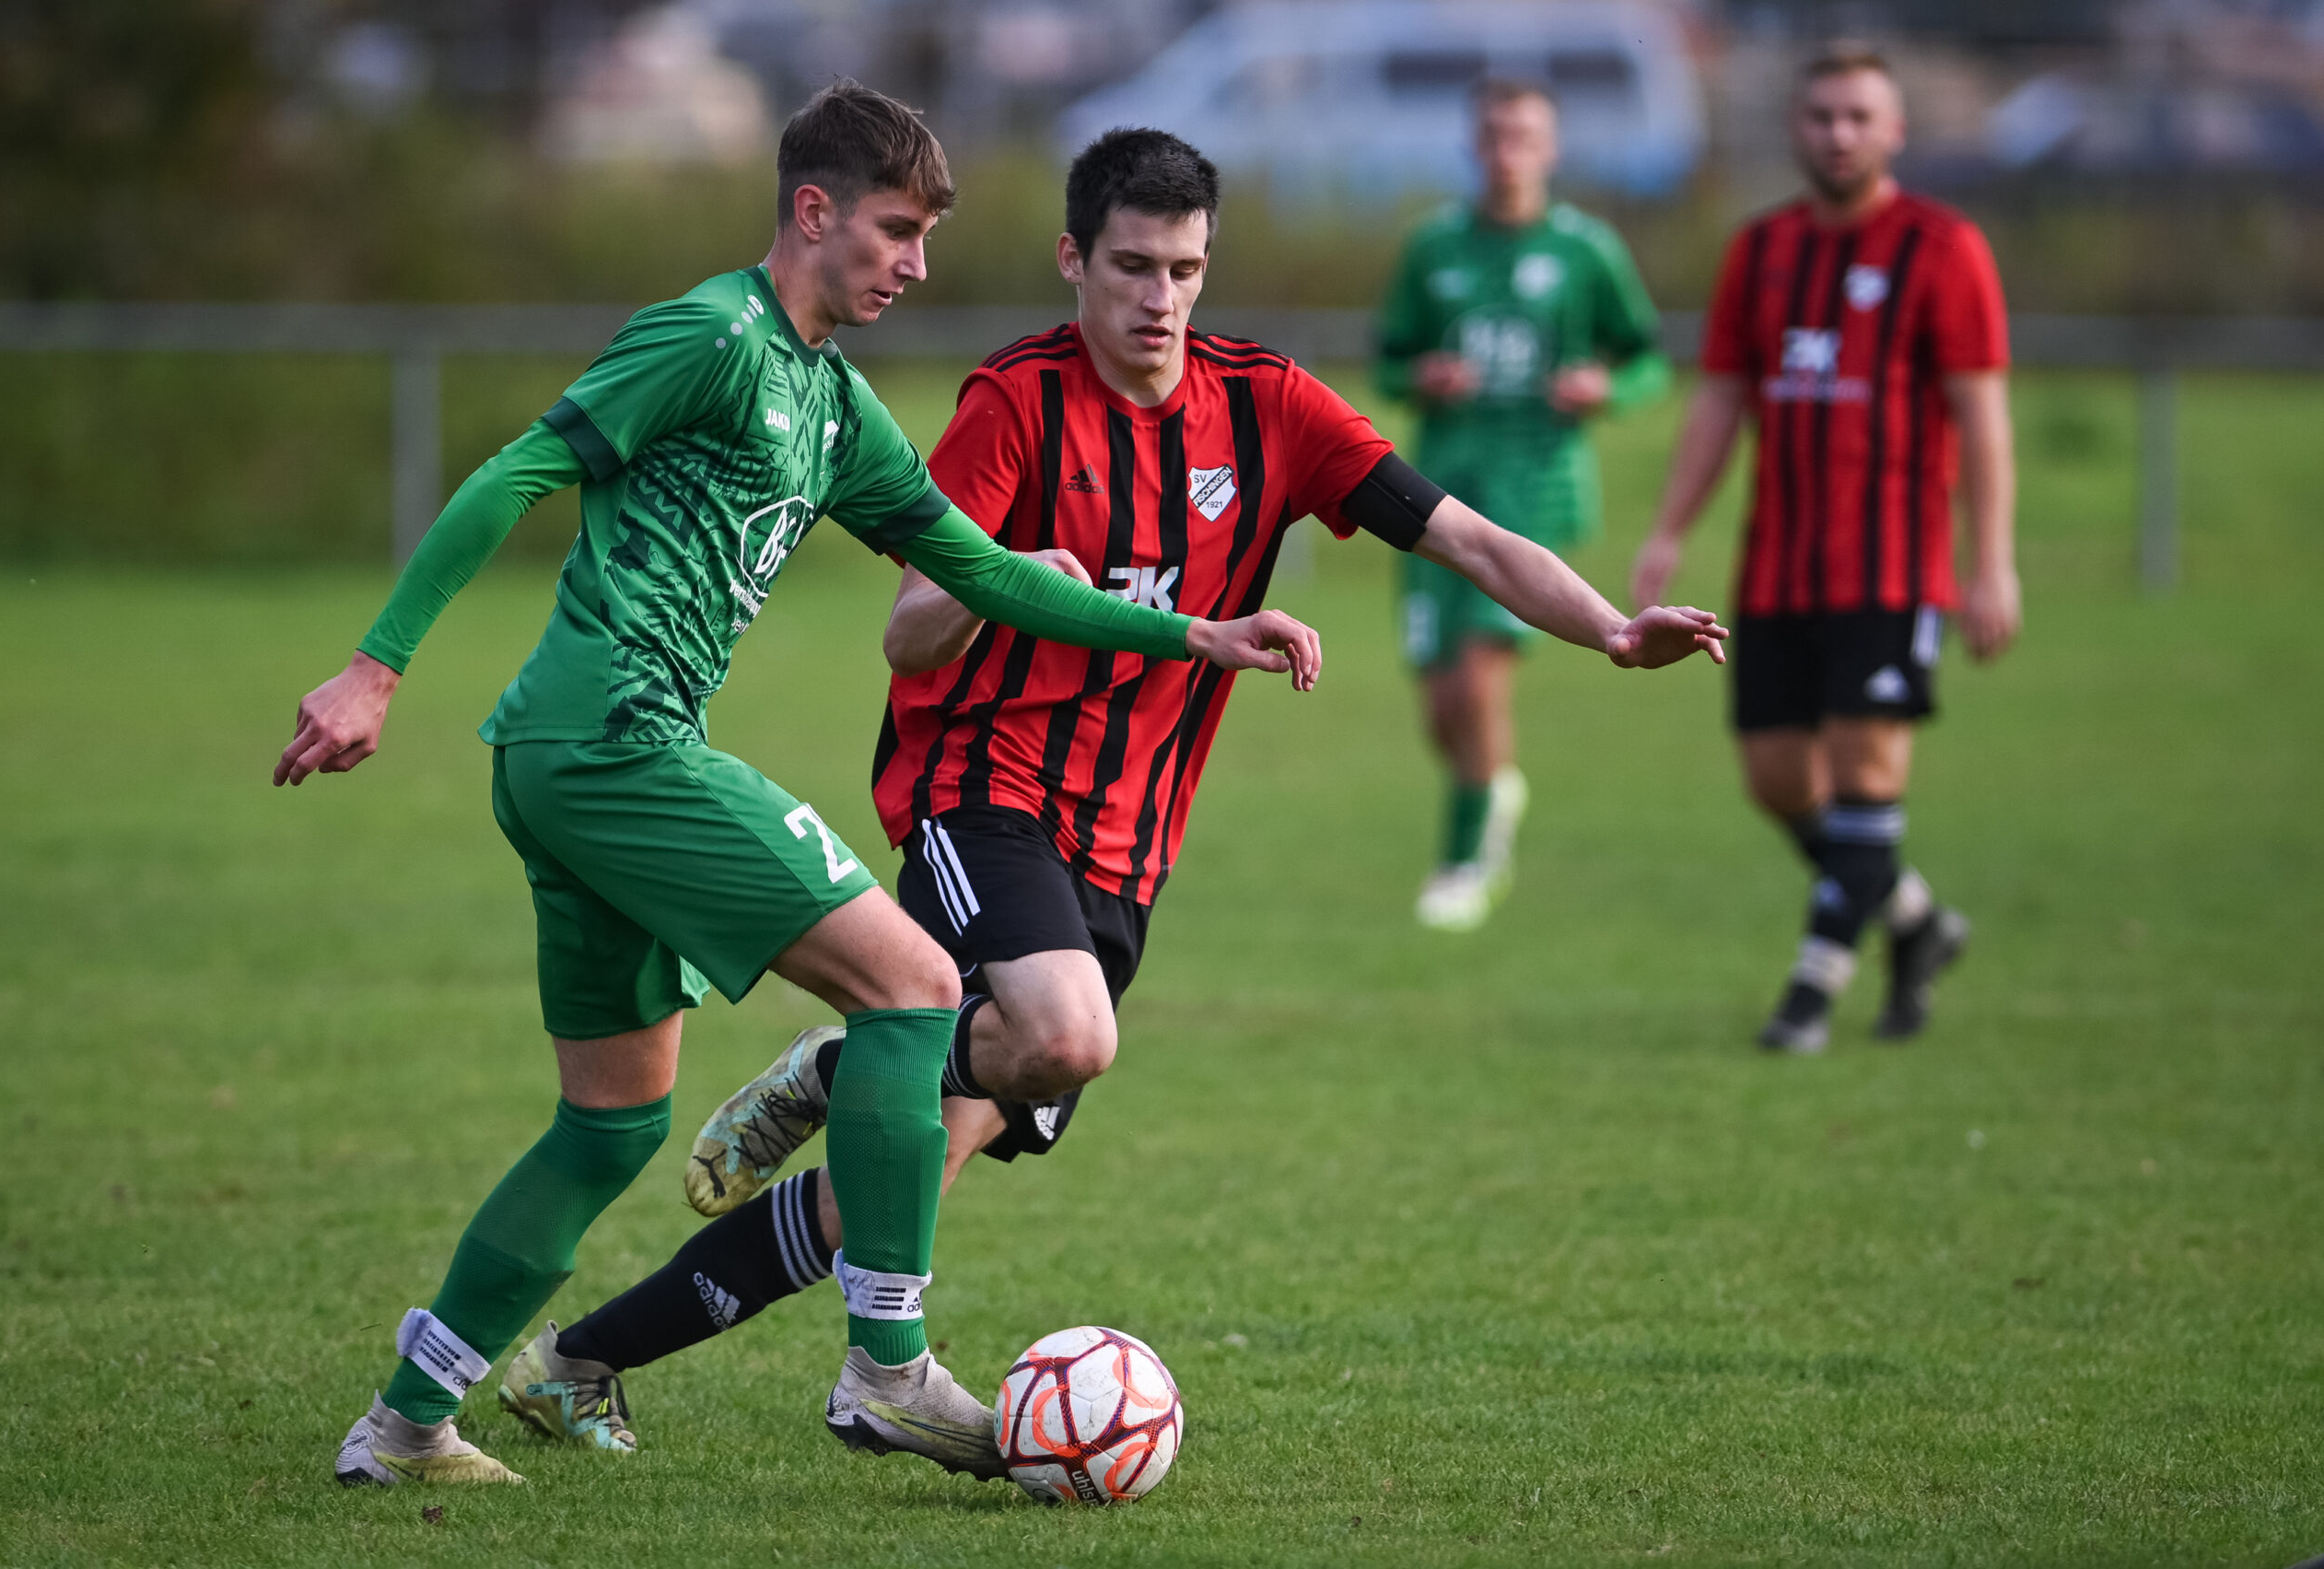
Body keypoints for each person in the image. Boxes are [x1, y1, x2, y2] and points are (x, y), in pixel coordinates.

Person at [509, 128, 1725, 1452]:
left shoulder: (1266, 405)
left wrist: (1609, 628)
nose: (1160, 298)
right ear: (1074, 259)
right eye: (1133, 266)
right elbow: (907, 631)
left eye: (1187, 269)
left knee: (899, 1173)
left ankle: (580, 1359)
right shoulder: (1014, 402)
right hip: (984, 790)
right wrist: (1000, 577)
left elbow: (1465, 532)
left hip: (1128, 846)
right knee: (1068, 1035)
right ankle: (853, 1087)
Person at [274, 84, 1324, 1488]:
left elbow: (989, 572)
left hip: (577, 761)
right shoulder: (712, 335)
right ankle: (890, 1367)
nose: (917, 265)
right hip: (615, 742)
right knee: (913, 984)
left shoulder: (833, 407)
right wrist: (374, 669)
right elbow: (514, 471)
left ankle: (406, 1421)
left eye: (928, 240)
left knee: (614, 1122)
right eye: (895, 232)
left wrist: (1195, 631)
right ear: (814, 212)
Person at [1629, 42, 2020, 1053]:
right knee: (1776, 781)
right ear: (1795, 129)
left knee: (1864, 777)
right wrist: (1668, 527)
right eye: (1820, 117)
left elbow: (1981, 415)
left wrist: (1993, 564)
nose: (1838, 134)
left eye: (1858, 117)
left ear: (1893, 131)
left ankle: (1810, 990)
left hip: (1890, 571)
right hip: (1776, 573)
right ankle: (1917, 922)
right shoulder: (1760, 254)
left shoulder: (1942, 249)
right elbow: (1720, 398)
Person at [1375, 77, 1671, 931]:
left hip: (1536, 490)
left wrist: (1603, 386)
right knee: (1442, 706)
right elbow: (1389, 360)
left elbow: (1649, 359)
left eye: (1525, 137)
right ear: (1475, 146)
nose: (1508, 153)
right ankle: (1493, 788)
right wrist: (1422, 376)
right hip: (1437, 492)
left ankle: (1468, 861)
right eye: (1494, 136)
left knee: (1476, 680)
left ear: (1551, 149)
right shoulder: (1433, 247)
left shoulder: (1586, 250)